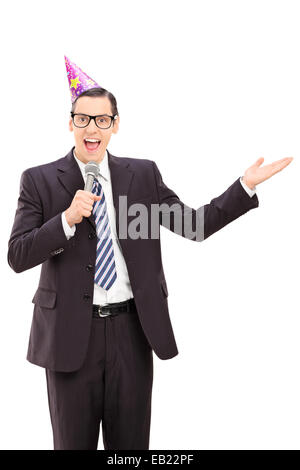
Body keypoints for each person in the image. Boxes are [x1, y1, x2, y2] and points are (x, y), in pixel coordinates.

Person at [7, 56, 293, 450]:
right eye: (83, 119)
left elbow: (194, 225)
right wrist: (67, 220)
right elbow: (18, 255)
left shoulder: (141, 176)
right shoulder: (39, 180)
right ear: (70, 123)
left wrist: (244, 186)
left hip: (132, 332)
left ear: (116, 124)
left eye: (102, 119)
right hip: (69, 337)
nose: (93, 128)